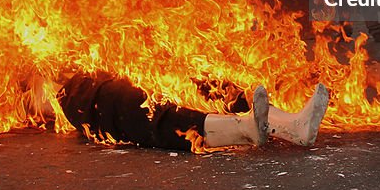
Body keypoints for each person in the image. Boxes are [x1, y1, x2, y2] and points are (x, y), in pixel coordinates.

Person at [54, 73, 330, 152]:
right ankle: (242, 129)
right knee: (130, 103)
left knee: (199, 79)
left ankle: (293, 125)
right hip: (78, 92)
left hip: (101, 67)